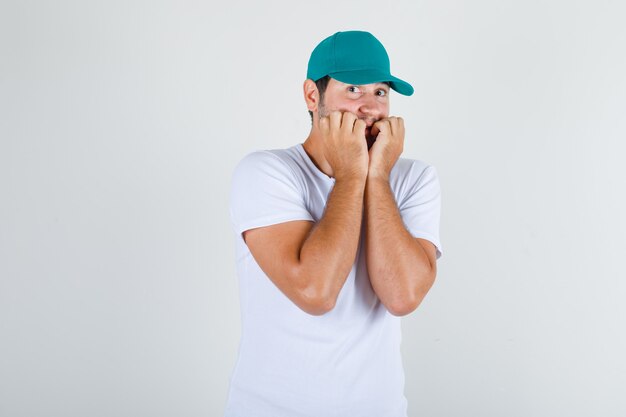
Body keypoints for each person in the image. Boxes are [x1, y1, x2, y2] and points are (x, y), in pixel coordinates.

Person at [224, 30, 443, 417]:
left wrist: (376, 178)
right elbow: (315, 291)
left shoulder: (415, 179)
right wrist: (351, 175)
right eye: (354, 90)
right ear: (313, 96)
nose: (371, 108)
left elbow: (402, 296)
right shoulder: (265, 173)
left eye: (381, 92)